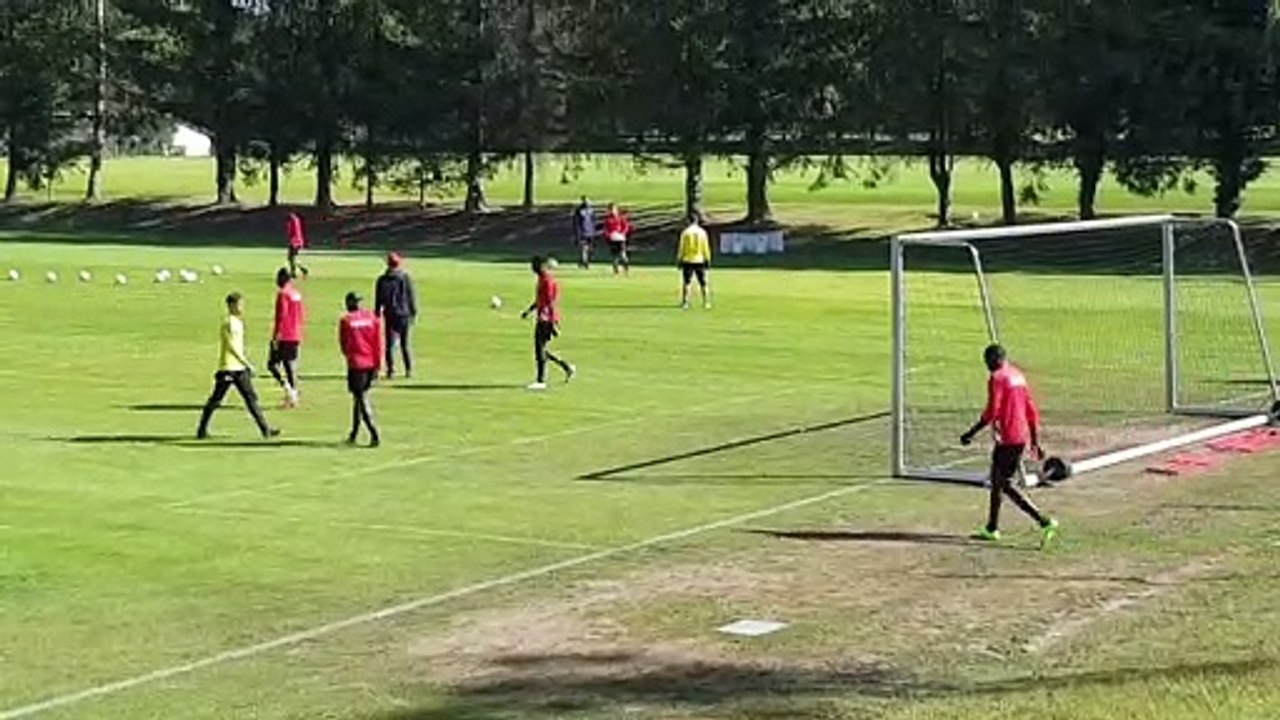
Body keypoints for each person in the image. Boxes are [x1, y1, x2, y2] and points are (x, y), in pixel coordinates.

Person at [960, 343, 1060, 549]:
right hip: (1020, 436)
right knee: (997, 481)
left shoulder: (997, 379)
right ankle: (992, 528)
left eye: (988, 361)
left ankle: (1044, 521)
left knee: (1004, 483)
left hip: (1008, 438)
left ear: (995, 360)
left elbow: (991, 412)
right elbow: (1031, 409)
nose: (987, 366)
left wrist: (971, 433)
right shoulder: (1018, 376)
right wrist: (1034, 441)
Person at [196, 292, 280, 440]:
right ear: (232, 305)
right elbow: (232, 347)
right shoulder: (229, 323)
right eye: (239, 304)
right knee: (215, 400)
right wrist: (247, 363)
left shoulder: (237, 322)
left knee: (251, 399)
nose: (242, 307)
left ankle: (265, 429)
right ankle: (201, 430)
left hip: (239, 368)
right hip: (229, 368)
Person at [520, 255, 575, 391]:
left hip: (547, 319)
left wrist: (553, 322)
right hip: (542, 318)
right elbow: (540, 300)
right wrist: (529, 310)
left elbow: (550, 303)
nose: (533, 269)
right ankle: (567, 367)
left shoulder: (548, 281)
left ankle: (541, 381)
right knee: (541, 349)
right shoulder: (542, 279)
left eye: (535, 266)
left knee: (540, 349)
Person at [339, 291, 382, 447]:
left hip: (356, 364)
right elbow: (378, 343)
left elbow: (343, 345)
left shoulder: (346, 320)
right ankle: (354, 433)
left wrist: (350, 355)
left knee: (361, 399)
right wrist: (378, 365)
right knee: (358, 399)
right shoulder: (372, 318)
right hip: (370, 363)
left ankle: (374, 432)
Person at [374, 252, 417, 380]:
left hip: (390, 314)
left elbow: (379, 299)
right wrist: (413, 313)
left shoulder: (382, 280)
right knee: (405, 344)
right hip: (404, 314)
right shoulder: (405, 278)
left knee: (390, 345)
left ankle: (391, 370)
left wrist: (377, 313)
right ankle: (408, 369)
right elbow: (411, 296)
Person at [267, 267, 304, 408]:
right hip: (295, 333)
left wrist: (276, 336)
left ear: (283, 278)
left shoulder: (283, 294)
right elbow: (301, 314)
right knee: (290, 365)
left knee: (272, 365)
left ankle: (290, 391)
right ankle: (293, 394)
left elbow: (280, 316)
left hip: (284, 335)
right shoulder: (296, 294)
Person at [677, 212, 712, 309]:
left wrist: (679, 258)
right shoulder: (702, 232)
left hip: (688, 259)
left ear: (688, 221)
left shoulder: (685, 232)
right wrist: (707, 258)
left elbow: (682, 247)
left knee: (687, 282)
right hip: (699, 259)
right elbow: (705, 246)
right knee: (703, 282)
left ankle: (685, 303)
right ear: (696, 221)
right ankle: (706, 302)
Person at [603, 203, 632, 275]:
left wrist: (622, 233)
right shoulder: (607, 219)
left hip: (620, 239)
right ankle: (616, 271)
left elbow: (626, 226)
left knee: (623, 255)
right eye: (610, 210)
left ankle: (626, 269)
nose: (612, 211)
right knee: (615, 256)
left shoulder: (620, 218)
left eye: (613, 209)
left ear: (616, 210)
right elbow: (605, 229)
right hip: (613, 240)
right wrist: (609, 235)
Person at [573, 197, 595, 269]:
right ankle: (585, 262)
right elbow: (576, 223)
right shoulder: (579, 211)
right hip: (582, 232)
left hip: (590, 232)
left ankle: (582, 261)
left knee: (589, 249)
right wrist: (577, 234)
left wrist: (594, 231)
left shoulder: (591, 210)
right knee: (584, 248)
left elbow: (593, 221)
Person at [286, 211, 309, 278]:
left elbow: (291, 232)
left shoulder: (291, 221)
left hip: (294, 242)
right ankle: (297, 271)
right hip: (299, 241)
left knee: (291, 258)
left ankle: (296, 271)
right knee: (292, 258)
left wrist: (290, 241)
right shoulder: (297, 220)